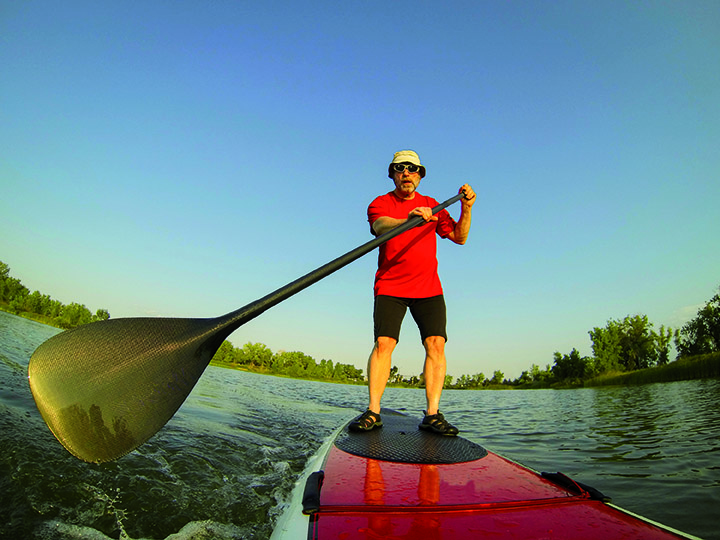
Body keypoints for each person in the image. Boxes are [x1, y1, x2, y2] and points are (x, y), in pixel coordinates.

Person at [349, 150, 476, 436]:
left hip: (428, 287)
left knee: (436, 344)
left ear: (420, 174)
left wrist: (466, 208)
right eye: (399, 168)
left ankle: (432, 415)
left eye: (412, 169)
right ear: (393, 174)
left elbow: (459, 237)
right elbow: (380, 227)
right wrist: (409, 218)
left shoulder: (433, 206)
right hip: (390, 286)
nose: (406, 173)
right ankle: (373, 411)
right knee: (384, 344)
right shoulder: (380, 203)